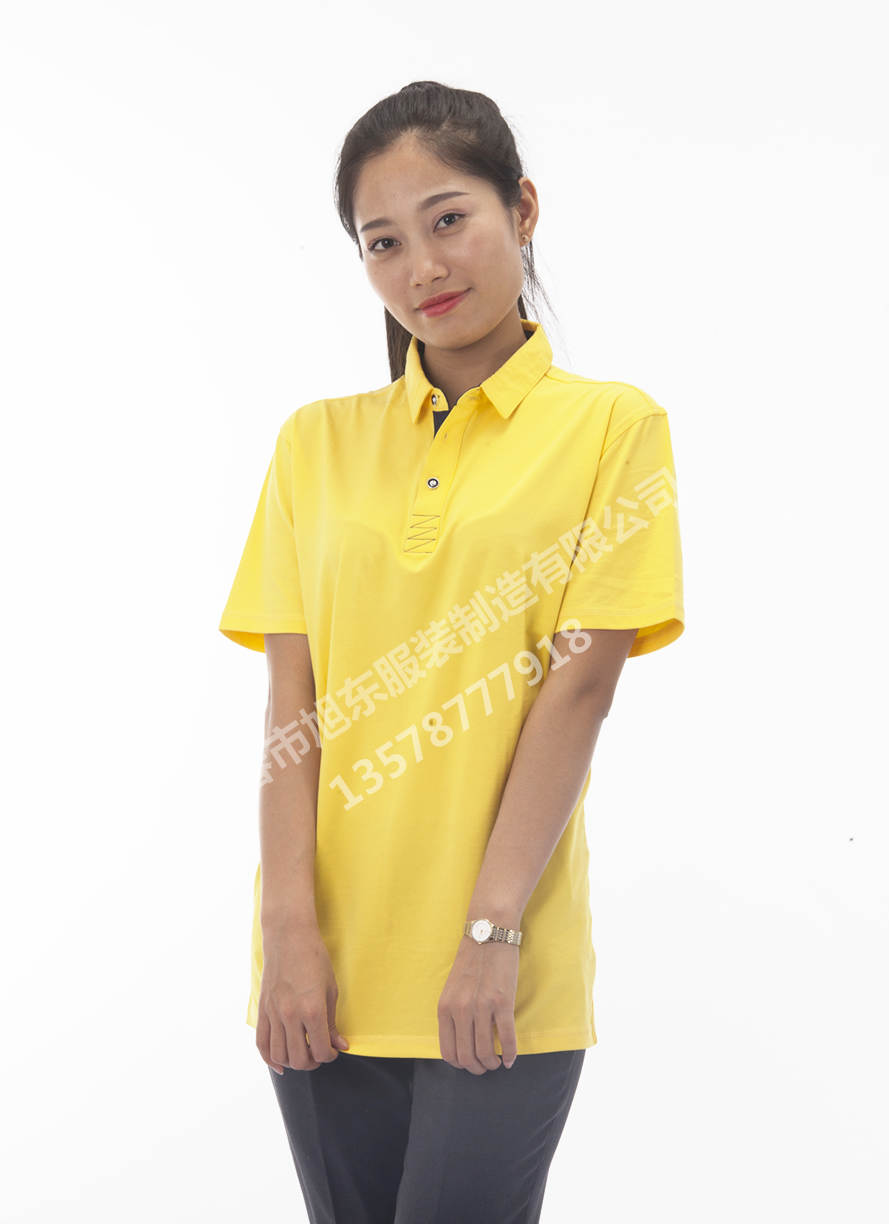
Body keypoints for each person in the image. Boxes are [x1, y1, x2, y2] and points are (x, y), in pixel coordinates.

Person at [218, 80, 685, 1224]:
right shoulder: (314, 444)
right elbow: (293, 705)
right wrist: (287, 935)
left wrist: (490, 934)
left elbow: (577, 692)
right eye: (382, 242)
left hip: (499, 970)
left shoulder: (612, 428)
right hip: (321, 974)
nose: (421, 265)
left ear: (521, 208)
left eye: (448, 219)